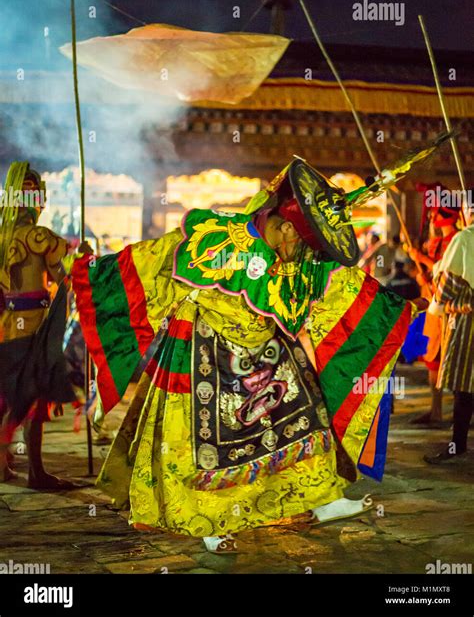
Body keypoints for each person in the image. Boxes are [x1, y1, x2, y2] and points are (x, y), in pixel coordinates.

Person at [71, 162, 418, 553]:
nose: (304, 254)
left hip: (270, 356)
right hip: (206, 356)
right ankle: (209, 521)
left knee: (308, 423)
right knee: (200, 450)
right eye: (302, 242)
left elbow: (340, 284)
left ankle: (322, 498)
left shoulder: (296, 258)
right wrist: (90, 269)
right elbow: (149, 263)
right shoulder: (217, 237)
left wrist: (398, 308)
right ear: (286, 227)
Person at [0, 162, 77, 488]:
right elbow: (63, 276)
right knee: (30, 400)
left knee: (9, 396)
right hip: (31, 326)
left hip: (7, 326)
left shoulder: (4, 237)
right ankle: (36, 473)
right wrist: (81, 261)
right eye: (29, 193)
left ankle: (4, 468)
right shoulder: (38, 237)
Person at [409, 184, 461, 427]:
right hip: (434, 308)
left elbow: (447, 272)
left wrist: (421, 260)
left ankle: (455, 414)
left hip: (451, 309)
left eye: (434, 212)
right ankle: (436, 410)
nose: (430, 217)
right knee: (433, 360)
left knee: (453, 362)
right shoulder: (440, 241)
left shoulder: (456, 242)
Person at [424, 207, 473, 463]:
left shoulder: (465, 238)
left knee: (464, 386)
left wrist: (438, 300)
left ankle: (458, 445)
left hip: (468, 322)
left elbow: (447, 285)